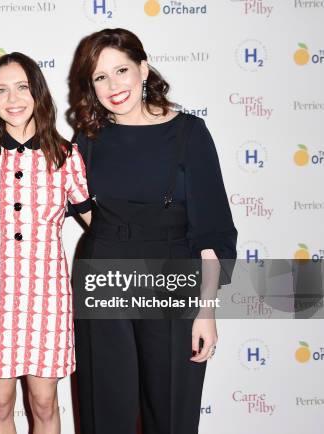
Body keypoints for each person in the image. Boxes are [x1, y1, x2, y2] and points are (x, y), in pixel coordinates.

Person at [66, 28, 237, 434]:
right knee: (103, 413)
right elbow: (82, 207)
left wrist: (206, 309)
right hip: (104, 277)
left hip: (173, 279)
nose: (113, 86)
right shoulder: (88, 138)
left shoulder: (189, 133)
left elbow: (211, 231)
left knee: (172, 414)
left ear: (143, 69)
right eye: (100, 77)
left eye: (121, 70)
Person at [0, 52, 91, 434]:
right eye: (2, 90)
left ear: (37, 92)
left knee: (44, 402)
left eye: (21, 87)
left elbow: (94, 222)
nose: (12, 98)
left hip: (47, 297)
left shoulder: (65, 155)